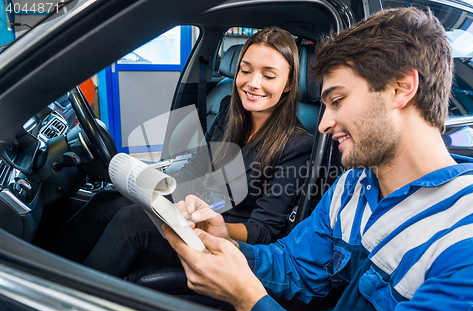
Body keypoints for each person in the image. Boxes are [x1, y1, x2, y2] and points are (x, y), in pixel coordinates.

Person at [162, 7, 473, 311]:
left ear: (401, 88)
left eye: (337, 101)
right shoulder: (352, 188)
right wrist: (230, 246)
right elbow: (294, 265)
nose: (323, 124)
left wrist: (248, 299)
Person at [50, 26, 314, 277]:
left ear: (289, 84)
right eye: (246, 71)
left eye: (268, 76)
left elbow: (263, 231)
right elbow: (197, 166)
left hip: (222, 240)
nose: (253, 83)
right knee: (107, 201)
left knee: (131, 221)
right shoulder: (228, 110)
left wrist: (207, 223)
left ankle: (70, 298)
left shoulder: (298, 145)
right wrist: (158, 194)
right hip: (189, 211)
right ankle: (46, 271)